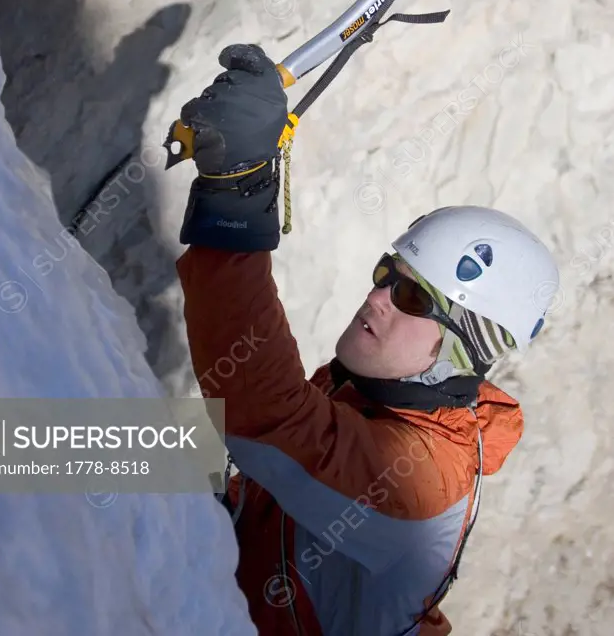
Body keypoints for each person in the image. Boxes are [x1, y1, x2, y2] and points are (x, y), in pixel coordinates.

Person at [175, 43, 559, 636]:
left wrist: (236, 194)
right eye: (388, 276)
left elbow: (268, 417)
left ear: (460, 349)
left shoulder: (418, 480)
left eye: (411, 299)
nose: (377, 298)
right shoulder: (369, 389)